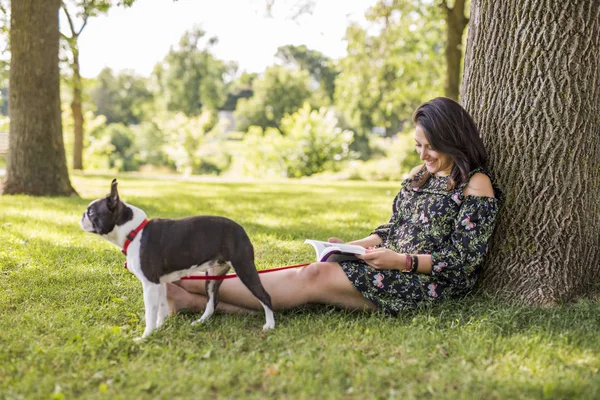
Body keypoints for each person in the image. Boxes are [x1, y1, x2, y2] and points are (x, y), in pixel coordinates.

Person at [166, 97, 500, 316]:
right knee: (311, 282)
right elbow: (392, 229)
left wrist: (403, 261)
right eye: (418, 145)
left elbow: (464, 263)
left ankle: (188, 281)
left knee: (313, 276)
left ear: (453, 140)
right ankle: (188, 300)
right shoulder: (420, 176)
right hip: (390, 265)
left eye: (431, 147)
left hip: (428, 284)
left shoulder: (476, 185)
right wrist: (351, 247)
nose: (423, 155)